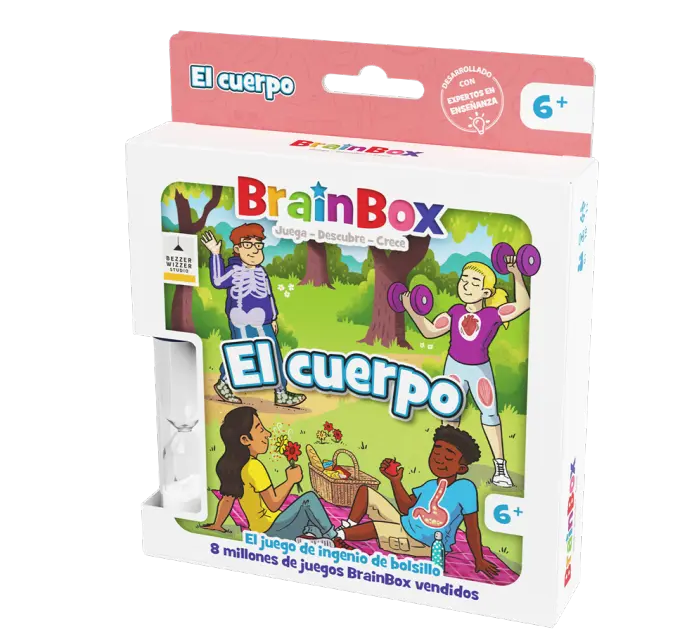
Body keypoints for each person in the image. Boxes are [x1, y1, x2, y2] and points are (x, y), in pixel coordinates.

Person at [402, 255, 530, 488]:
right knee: (450, 414)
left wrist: (516, 273)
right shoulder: (454, 312)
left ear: (486, 292)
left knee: (490, 415)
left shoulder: (492, 315)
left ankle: (500, 468)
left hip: (479, 370)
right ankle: (444, 467)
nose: (466, 285)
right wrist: (412, 308)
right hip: (454, 368)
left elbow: (523, 305)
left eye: (474, 282)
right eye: (464, 279)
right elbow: (429, 331)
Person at [336, 425, 499, 578]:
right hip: (405, 524)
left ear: (461, 469)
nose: (439, 459)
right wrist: (395, 480)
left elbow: (472, 528)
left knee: (375, 527)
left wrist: (479, 559)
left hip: (425, 544)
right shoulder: (430, 485)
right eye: (436, 452)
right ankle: (347, 526)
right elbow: (406, 508)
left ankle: (335, 536)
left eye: (448, 457)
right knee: (365, 491)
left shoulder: (465, 488)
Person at [201, 407, 352, 549]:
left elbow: (227, 499)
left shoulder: (239, 467)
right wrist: (290, 481)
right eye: (260, 429)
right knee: (309, 500)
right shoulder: (254, 467)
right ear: (245, 439)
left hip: (263, 529)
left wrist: (217, 525)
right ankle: (334, 538)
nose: (267, 434)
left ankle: (309, 539)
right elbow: (273, 504)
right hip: (271, 530)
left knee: (312, 524)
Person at [200, 223, 306, 407]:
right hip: (240, 318)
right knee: (242, 351)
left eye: (258, 245)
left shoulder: (261, 272)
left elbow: (269, 295)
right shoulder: (234, 270)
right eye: (248, 244)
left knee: (272, 352)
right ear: (237, 249)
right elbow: (218, 281)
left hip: (263, 319)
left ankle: (281, 393)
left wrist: (273, 317)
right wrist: (215, 254)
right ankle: (224, 383)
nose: (254, 250)